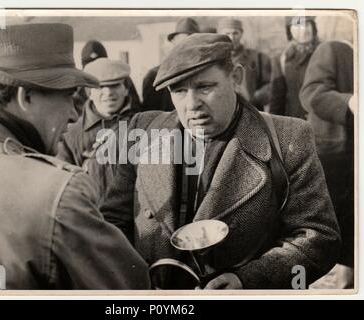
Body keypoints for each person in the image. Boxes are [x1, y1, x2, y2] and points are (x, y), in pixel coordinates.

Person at [100, 33, 340, 289]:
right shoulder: (143, 132)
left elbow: (318, 239)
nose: (192, 104)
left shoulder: (288, 138)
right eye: (179, 90)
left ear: (235, 77)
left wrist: (247, 281)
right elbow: (111, 226)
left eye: (205, 87)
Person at [0, 23, 150, 290]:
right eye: (67, 97)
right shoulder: (56, 194)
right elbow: (132, 297)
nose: (74, 114)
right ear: (26, 96)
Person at [300, 40, 354, 288]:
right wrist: (350, 102)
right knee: (328, 218)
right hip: (335, 152)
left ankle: (346, 282)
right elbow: (311, 92)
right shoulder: (335, 48)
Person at [57, 58, 135, 204]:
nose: (108, 93)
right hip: (93, 216)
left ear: (126, 89)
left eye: (115, 86)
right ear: (89, 93)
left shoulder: (142, 126)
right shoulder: (72, 134)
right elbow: (63, 185)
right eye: (100, 87)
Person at [142, 17, 200, 112]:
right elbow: (149, 115)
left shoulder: (206, 72)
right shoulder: (155, 75)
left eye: (192, 42)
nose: (187, 48)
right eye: (182, 43)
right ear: (174, 43)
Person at [269, 16, 320, 119]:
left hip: (323, 125)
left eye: (307, 24)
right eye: (298, 25)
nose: (303, 29)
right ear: (289, 30)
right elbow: (277, 100)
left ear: (313, 27)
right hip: (295, 124)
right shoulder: (281, 59)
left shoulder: (326, 53)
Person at [219, 18, 272, 110]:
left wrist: (256, 98)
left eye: (235, 33)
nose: (231, 37)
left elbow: (270, 84)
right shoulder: (215, 59)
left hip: (251, 110)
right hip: (222, 110)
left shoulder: (257, 57)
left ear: (241, 34)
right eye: (227, 33)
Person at [78, 40, 141, 112]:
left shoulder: (121, 78)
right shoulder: (78, 84)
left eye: (114, 85)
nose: (108, 92)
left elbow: (135, 106)